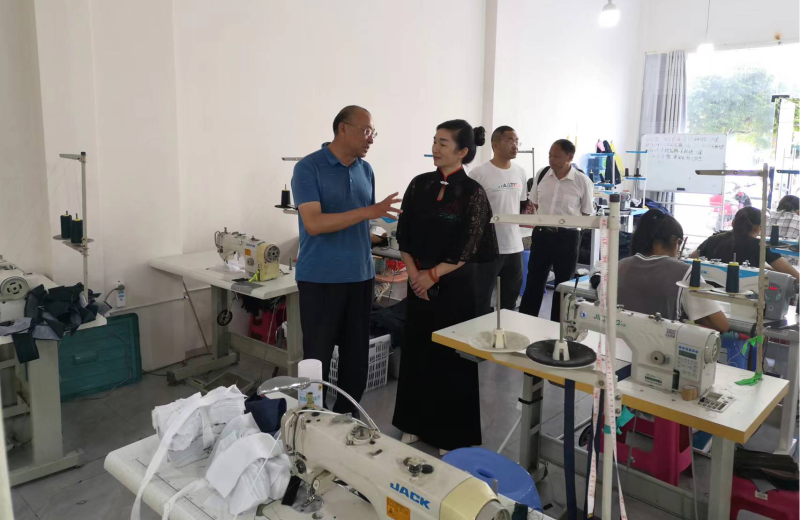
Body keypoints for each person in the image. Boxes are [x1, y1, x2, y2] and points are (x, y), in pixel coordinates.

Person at [392, 120, 498, 454]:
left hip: (454, 287)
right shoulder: (419, 184)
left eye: (443, 143)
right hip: (418, 283)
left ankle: (449, 435)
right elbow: (404, 234)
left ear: (462, 151)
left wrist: (432, 276)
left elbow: (470, 245)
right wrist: (415, 275)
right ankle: (412, 422)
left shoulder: (473, 192)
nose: (436, 148)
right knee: (417, 352)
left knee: (451, 359)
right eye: (435, 141)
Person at [291, 105, 401, 415]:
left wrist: (383, 230)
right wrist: (369, 211)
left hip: (360, 276)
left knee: (356, 358)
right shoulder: (308, 168)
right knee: (316, 358)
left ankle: (346, 417)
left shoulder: (366, 170)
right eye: (366, 131)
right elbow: (314, 223)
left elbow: (363, 222)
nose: (371, 139)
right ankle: (311, 418)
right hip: (320, 278)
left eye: (373, 133)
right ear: (342, 128)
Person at [519, 139, 594, 322]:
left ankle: (557, 328)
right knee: (534, 281)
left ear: (570, 157)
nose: (551, 159)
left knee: (564, 285)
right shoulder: (542, 174)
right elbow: (535, 202)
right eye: (550, 155)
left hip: (567, 237)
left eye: (557, 156)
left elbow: (587, 212)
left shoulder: (582, 181)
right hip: (542, 234)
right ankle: (526, 322)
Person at [619, 210, 728, 332]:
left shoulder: (620, 266)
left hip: (618, 340)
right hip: (660, 342)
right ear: (676, 241)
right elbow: (722, 325)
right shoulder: (684, 272)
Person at [470, 126, 528, 313]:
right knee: (480, 301)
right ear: (495, 145)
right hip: (487, 248)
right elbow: (471, 211)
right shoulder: (478, 173)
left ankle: (506, 331)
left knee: (509, 303)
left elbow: (520, 205)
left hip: (514, 247)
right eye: (510, 141)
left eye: (517, 141)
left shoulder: (520, 172)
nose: (515, 146)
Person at [691, 206, 800, 282]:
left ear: (733, 223)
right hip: (745, 300)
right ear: (758, 228)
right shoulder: (760, 246)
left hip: (709, 296)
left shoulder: (713, 239)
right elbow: (795, 276)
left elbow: (690, 260)